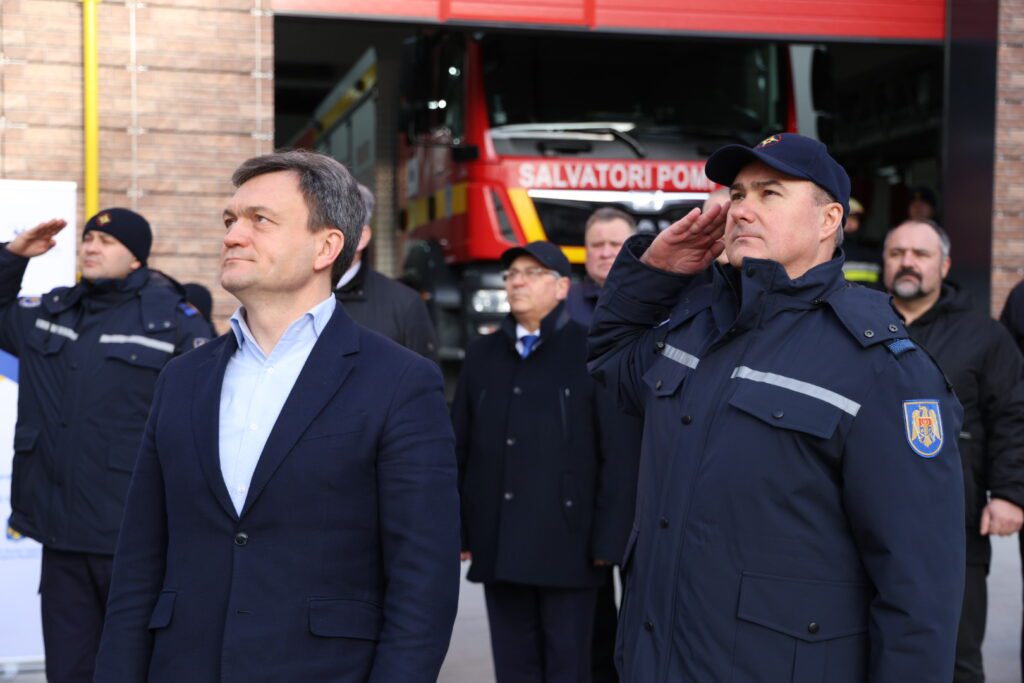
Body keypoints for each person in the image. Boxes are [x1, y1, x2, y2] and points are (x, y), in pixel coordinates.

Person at [588, 132, 966, 681]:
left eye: (770, 193)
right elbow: (611, 362)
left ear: (829, 220)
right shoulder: (696, 325)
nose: (742, 210)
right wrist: (656, 272)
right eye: (738, 194)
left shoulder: (883, 369)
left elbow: (918, 592)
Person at [93, 150, 460, 682]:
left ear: (326, 247)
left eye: (259, 220)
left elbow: (423, 582)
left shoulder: (400, 382)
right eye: (230, 220)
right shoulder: (182, 379)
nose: (233, 236)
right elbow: (139, 561)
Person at [0, 208, 213, 683]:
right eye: (88, 238)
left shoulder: (174, 322)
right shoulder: (52, 311)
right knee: (69, 671)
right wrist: (13, 256)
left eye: (107, 241)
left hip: (133, 540)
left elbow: (202, 428)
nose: (91, 247)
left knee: (131, 669)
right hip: (61, 536)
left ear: (136, 257)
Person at [453, 241, 634, 683]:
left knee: (568, 666)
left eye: (531, 274)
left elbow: (616, 454)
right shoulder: (482, 354)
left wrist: (608, 542)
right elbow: (459, 447)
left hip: (568, 544)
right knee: (514, 665)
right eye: (512, 275)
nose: (518, 282)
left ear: (561, 287)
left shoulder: (590, 349)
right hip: (499, 539)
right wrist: (460, 528)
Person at [882, 218, 1024, 683]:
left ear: (944, 266)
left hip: (955, 519)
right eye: (897, 253)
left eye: (920, 255)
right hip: (866, 512)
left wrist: (1010, 493)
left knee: (956, 654)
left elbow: (1013, 416)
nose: (907, 263)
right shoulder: (859, 324)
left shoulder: (985, 336)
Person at [565, 207, 642, 683]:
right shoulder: (565, 304)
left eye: (617, 245)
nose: (606, 253)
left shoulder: (665, 300)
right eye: (597, 245)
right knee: (588, 614)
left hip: (645, 465)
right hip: (583, 474)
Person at [335, 183, 439, 361]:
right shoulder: (294, 297)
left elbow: (424, 375)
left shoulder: (405, 306)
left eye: (332, 226)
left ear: (361, 237)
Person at [841, 197, 882, 287]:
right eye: (846, 218)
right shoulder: (831, 249)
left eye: (854, 218)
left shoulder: (871, 250)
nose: (850, 223)